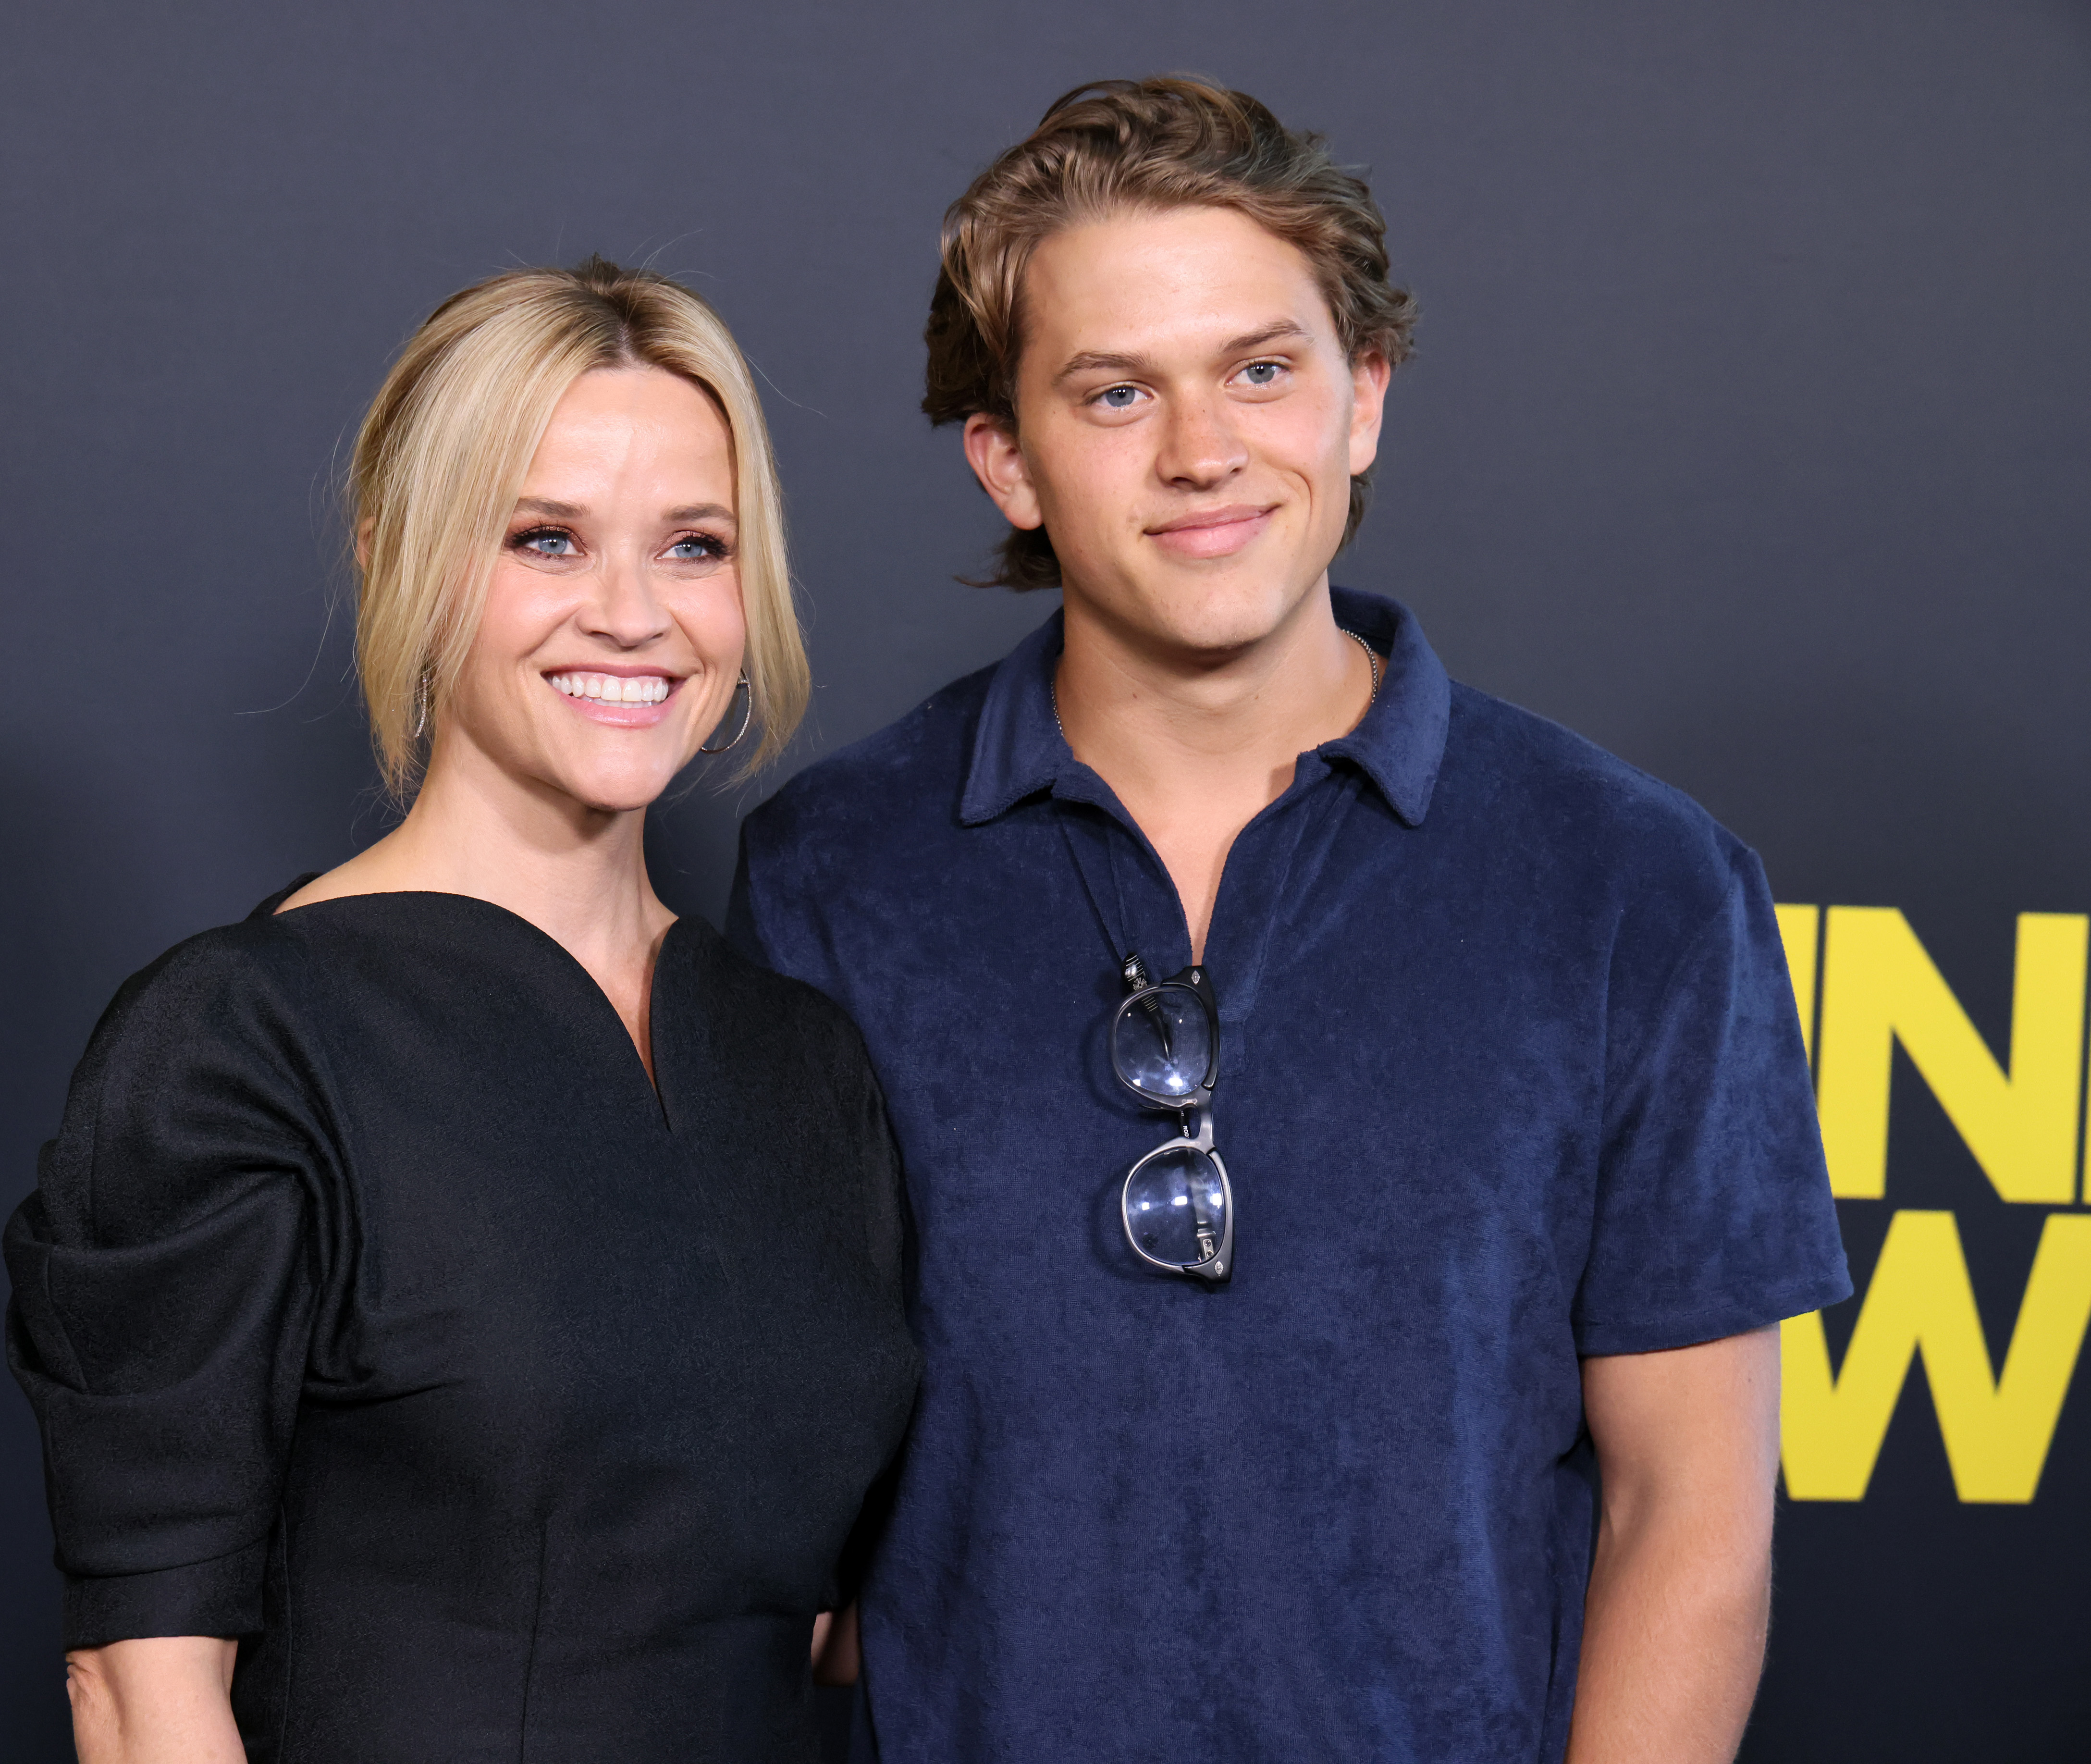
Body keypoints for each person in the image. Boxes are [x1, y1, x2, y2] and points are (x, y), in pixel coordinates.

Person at [730, 78, 1848, 1764]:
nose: (1203, 451)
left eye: (1263, 369)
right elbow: (769, 1503)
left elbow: (1688, 1515)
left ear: (1365, 398)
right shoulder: (834, 868)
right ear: (1006, 460)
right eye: (1115, 392)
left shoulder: (1639, 884)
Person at [5, 258, 919, 1764]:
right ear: (403, 561)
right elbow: (141, 1689)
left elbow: (824, 1625)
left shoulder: (802, 1058)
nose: (633, 616)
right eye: (546, 540)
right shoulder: (243, 1039)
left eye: (694, 547)